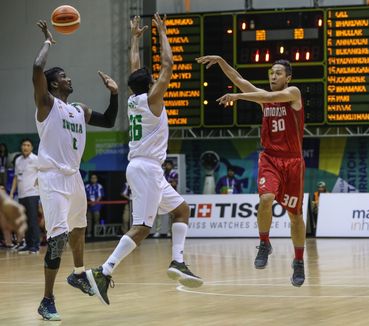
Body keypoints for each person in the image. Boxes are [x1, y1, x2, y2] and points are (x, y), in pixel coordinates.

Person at [86, 14, 202, 307]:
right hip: (146, 168)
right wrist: (163, 32)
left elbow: (135, 70)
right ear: (150, 84)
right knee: (142, 228)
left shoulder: (133, 98)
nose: (154, 79)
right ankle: (103, 271)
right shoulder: (152, 100)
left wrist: (136, 39)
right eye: (152, 79)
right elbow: (169, 66)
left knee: (182, 210)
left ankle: (177, 261)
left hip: (147, 169)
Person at [33, 21, 119, 320]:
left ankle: (79, 274)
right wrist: (47, 42)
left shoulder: (79, 109)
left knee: (79, 228)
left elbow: (108, 121)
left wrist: (114, 94)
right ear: (54, 84)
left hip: (73, 176)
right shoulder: (46, 104)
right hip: (52, 176)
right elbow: (36, 68)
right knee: (57, 239)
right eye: (64, 77)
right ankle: (46, 300)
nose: (69, 79)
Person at [196, 55, 306, 287]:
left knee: (295, 216)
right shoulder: (264, 99)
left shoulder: (293, 93)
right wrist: (220, 60)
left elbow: (267, 96)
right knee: (266, 198)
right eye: (271, 72)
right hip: (270, 158)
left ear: (288, 78)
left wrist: (238, 96)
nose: (273, 76)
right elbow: (238, 78)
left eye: (278, 73)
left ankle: (298, 261)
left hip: (293, 162)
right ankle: (264, 243)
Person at [9, 138, 41, 254]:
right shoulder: (18, 160)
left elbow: (42, 174)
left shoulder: (36, 159)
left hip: (32, 194)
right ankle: (28, 244)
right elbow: (16, 177)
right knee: (25, 221)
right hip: (21, 195)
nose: (25, 147)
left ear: (31, 148)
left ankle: (35, 246)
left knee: (33, 221)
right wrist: (12, 192)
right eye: (23, 145)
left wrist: (37, 186)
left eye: (28, 145)